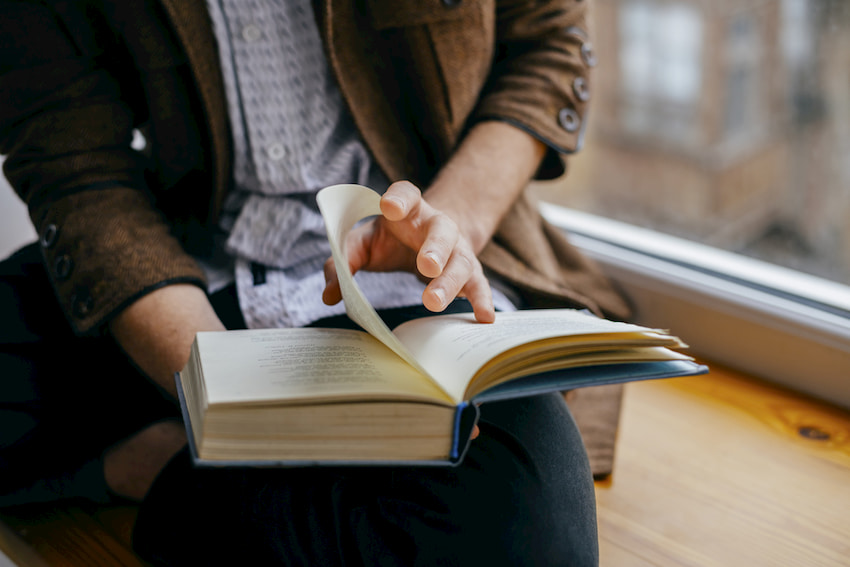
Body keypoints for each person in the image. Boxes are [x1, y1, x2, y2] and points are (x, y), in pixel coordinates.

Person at [0, 0, 630, 564]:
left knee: (530, 530)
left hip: (413, 289)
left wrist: (447, 223)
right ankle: (223, 469)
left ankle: (160, 467)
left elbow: (548, 41)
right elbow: (75, 161)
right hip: (185, 275)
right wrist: (223, 390)